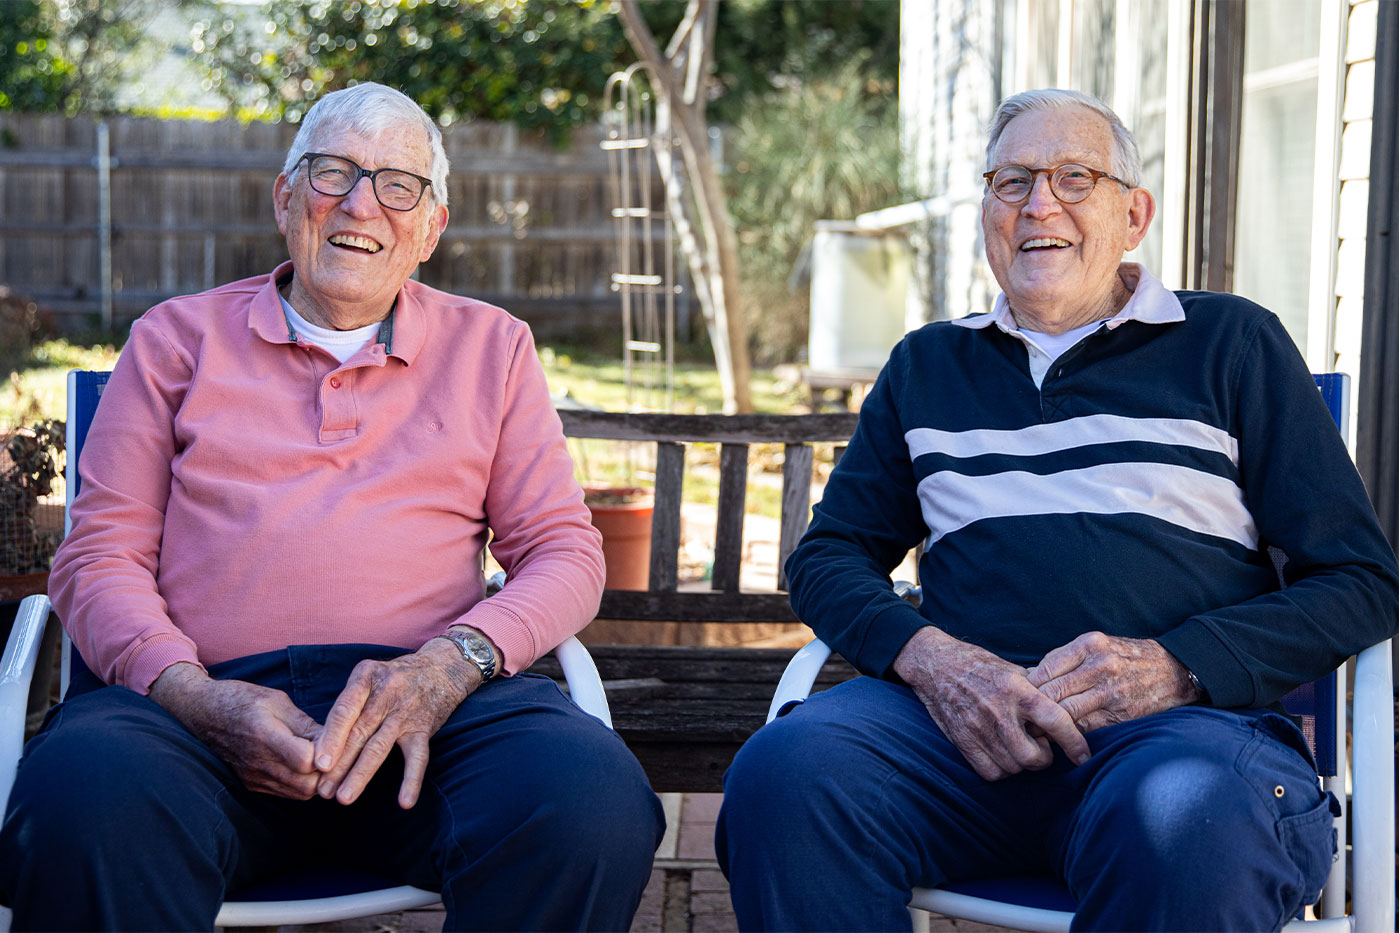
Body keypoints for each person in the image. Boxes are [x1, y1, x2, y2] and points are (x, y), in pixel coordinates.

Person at [716, 88, 1398, 932]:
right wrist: (937, 662)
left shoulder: (1232, 345)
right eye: (1014, 182)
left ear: (1133, 214)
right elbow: (827, 558)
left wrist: (1176, 664)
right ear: (987, 213)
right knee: (785, 777)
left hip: (1177, 739)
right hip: (952, 738)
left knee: (1195, 824)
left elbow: (1362, 579)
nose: (1041, 204)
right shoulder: (930, 365)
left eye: (1076, 178)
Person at [0, 82, 664, 931]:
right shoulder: (173, 340)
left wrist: (452, 663)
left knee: (588, 803)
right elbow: (96, 558)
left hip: (429, 705)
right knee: (84, 805)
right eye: (332, 172)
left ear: (430, 229)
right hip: (198, 715)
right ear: (285, 198)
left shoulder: (493, 348)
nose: (360, 204)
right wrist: (197, 697)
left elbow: (566, 552)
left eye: (398, 184)